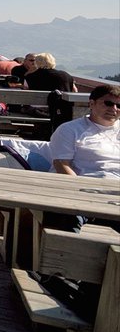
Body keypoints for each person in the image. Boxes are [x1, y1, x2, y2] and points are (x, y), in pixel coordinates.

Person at [46, 85, 120, 232]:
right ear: (91, 103)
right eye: (108, 103)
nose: (114, 109)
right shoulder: (70, 129)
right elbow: (61, 164)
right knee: (67, 219)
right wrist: (81, 190)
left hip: (115, 194)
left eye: (119, 105)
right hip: (81, 191)